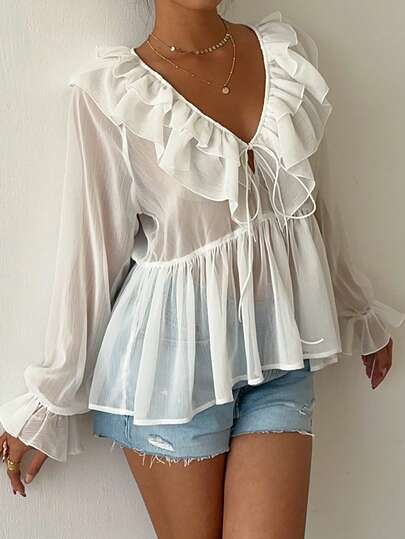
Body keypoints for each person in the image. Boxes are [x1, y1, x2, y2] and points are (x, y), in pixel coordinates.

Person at [1, 2, 404, 538]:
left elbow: (314, 209)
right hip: (169, 373)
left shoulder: (284, 58)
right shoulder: (113, 95)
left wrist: (356, 309)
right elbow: (91, 258)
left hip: (279, 352)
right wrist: (49, 403)